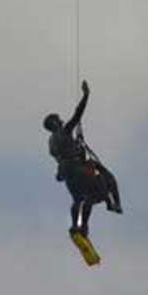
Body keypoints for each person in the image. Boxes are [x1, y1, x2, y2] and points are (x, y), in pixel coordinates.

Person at [44, 80, 122, 237]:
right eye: (59, 120)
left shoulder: (51, 143)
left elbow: (63, 155)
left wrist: (77, 146)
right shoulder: (64, 132)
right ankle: (112, 205)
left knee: (78, 200)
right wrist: (86, 95)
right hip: (77, 169)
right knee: (98, 185)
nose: (62, 121)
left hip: (67, 174)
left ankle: (75, 226)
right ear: (54, 123)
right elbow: (78, 113)